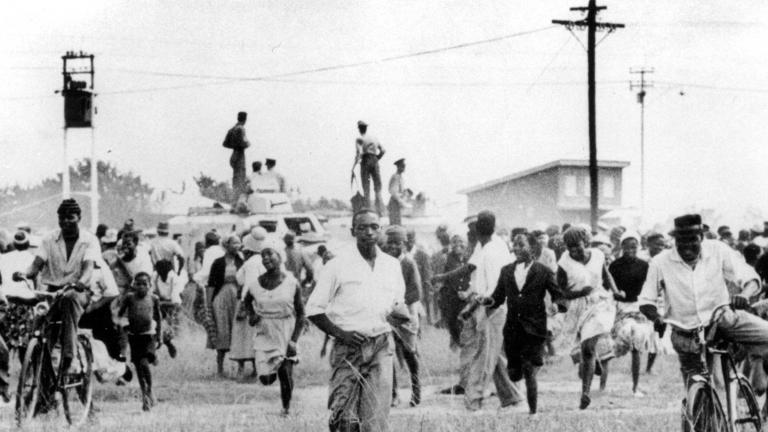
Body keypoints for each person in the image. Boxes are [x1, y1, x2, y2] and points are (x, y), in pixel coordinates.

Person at [639, 214, 767, 392]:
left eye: (693, 239)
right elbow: (646, 300)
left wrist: (744, 295)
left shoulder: (718, 250)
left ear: (702, 237)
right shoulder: (660, 262)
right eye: (681, 240)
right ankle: (700, 411)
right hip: (685, 332)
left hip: (722, 320)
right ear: (674, 240)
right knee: (697, 390)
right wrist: (656, 318)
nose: (686, 246)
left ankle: (757, 364)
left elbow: (749, 276)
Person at [306, 209, 407, 432]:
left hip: (381, 345)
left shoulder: (391, 265)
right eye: (362, 227)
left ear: (380, 230)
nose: (369, 232)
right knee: (345, 421)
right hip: (348, 348)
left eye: (374, 227)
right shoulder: (337, 265)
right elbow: (313, 310)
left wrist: (400, 318)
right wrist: (341, 334)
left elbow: (397, 304)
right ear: (353, 231)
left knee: (375, 422)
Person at [479, 233, 565, 414]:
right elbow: (498, 297)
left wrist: (557, 305)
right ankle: (521, 370)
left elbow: (558, 295)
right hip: (512, 329)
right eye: (514, 245)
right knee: (514, 372)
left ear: (532, 248)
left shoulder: (543, 271)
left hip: (534, 328)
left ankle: (532, 412)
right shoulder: (507, 271)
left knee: (528, 370)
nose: (516, 248)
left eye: (521, 245)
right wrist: (486, 301)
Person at [15, 199, 98, 379]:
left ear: (79, 218)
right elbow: (35, 265)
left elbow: (89, 267)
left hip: (78, 292)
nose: (65, 222)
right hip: (52, 292)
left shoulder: (89, 240)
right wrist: (24, 273)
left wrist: (81, 282)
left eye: (70, 218)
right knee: (37, 333)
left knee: (69, 298)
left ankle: (70, 357)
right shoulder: (49, 239)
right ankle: (39, 387)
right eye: (62, 218)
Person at [459, 210, 522, 411]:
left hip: (494, 307)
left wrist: (478, 309)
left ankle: (474, 399)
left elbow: (494, 288)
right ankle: (511, 396)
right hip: (493, 305)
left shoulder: (492, 251)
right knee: (494, 356)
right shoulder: (490, 246)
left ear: (478, 229)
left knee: (484, 355)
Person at [557, 226, 619, 409]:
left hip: (600, 304)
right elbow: (560, 292)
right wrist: (577, 293)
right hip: (577, 307)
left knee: (588, 347)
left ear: (586, 243)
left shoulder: (598, 255)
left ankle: (585, 393)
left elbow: (607, 277)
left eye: (577, 246)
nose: (574, 250)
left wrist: (616, 292)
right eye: (569, 247)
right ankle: (595, 363)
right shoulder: (564, 263)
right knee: (583, 350)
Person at [245, 242, 304, 416]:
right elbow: (247, 301)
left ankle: (286, 408)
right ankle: (275, 371)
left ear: (280, 256)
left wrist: (294, 340)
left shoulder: (292, 283)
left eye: (269, 254)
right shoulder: (256, 284)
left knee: (285, 372)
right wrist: (252, 315)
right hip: (265, 331)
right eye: (262, 255)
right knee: (266, 379)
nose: (266, 258)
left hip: (286, 329)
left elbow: (301, 314)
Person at [608, 231, 652, 397]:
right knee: (619, 343)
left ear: (638, 247)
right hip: (620, 308)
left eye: (633, 247)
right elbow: (609, 288)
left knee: (637, 344)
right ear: (621, 247)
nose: (630, 250)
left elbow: (650, 288)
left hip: (638, 309)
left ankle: (635, 387)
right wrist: (617, 293)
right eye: (626, 247)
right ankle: (601, 379)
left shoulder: (644, 265)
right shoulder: (614, 266)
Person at [383, 226, 421, 408]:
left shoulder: (408, 263)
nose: (392, 246)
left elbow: (415, 292)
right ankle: (393, 393)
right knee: (387, 353)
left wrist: (410, 318)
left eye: (396, 243)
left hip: (406, 313)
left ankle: (416, 390)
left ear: (404, 244)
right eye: (389, 242)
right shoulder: (382, 263)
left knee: (409, 353)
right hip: (386, 315)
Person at [118, 272, 162, 411]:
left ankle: (149, 391)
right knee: (138, 366)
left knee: (144, 363)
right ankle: (145, 395)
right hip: (134, 335)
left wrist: (159, 336)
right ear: (133, 285)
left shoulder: (154, 298)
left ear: (150, 285)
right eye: (138, 283)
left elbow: (159, 318)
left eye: (144, 284)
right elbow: (120, 314)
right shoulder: (130, 298)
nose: (141, 287)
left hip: (148, 335)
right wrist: (122, 326)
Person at [231, 227, 266, 380]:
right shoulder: (265, 260)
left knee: (242, 336)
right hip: (263, 302)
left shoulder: (251, 263)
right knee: (256, 336)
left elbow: (248, 284)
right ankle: (255, 369)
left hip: (250, 301)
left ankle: (241, 369)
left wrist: (245, 304)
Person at [207, 235, 243, 377]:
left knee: (238, 330)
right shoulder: (218, 262)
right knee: (222, 330)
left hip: (237, 298)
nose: (236, 246)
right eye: (233, 243)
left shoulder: (242, 261)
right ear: (226, 245)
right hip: (221, 297)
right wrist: (209, 303)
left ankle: (240, 368)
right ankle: (220, 368)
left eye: (238, 243)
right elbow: (210, 284)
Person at [353, 121, 386, 215]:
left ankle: (369, 211)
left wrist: (354, 165)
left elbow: (358, 153)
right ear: (366, 128)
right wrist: (376, 159)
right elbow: (383, 150)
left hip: (366, 160)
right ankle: (380, 211)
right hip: (375, 160)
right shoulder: (374, 138)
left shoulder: (360, 138)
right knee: (378, 187)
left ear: (359, 129)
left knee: (366, 187)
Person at [152, 259, 181, 358]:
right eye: (159, 271)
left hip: (172, 307)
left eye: (163, 271)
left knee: (171, 330)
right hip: (159, 304)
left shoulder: (174, 278)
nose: (161, 273)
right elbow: (152, 292)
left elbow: (175, 301)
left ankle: (170, 345)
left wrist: (159, 302)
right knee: (154, 327)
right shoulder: (155, 276)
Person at [406, 228, 434, 325]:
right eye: (407, 240)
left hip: (418, 292)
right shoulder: (403, 255)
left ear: (414, 240)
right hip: (406, 293)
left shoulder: (422, 255)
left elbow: (427, 278)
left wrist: (426, 295)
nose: (409, 243)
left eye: (411, 240)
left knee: (417, 319)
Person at [223, 111, 251, 203]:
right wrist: (246, 144)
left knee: (236, 178)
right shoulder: (241, 129)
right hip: (239, 154)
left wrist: (234, 145)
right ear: (245, 119)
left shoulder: (231, 129)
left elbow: (225, 144)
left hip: (233, 155)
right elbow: (245, 143)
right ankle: (238, 201)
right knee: (240, 178)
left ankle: (235, 199)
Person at [283, 232, 314, 298]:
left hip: (282, 286)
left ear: (284, 241)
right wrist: (307, 280)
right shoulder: (300, 251)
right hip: (296, 283)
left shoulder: (281, 252)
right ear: (294, 241)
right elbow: (310, 269)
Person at [387, 158, 407, 226]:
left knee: (397, 225)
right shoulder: (396, 177)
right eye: (402, 166)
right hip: (394, 202)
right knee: (395, 226)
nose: (404, 168)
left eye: (404, 166)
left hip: (397, 203)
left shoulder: (400, 177)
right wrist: (401, 202)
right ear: (398, 167)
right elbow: (393, 191)